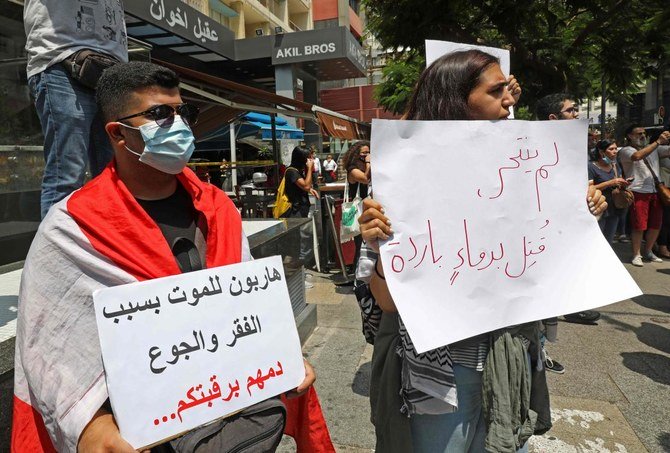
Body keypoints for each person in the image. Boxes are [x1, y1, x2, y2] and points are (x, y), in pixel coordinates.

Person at [12, 62, 324, 453]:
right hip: (145, 438)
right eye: (160, 114)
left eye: (183, 112)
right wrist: (93, 427)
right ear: (118, 134)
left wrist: (282, 358)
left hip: (243, 427)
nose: (179, 124)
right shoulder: (70, 229)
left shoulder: (218, 208)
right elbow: (50, 350)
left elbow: (250, 311)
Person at [357, 50, 607, 453]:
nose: (510, 98)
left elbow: (548, 256)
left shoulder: (527, 168)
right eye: (496, 90)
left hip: (510, 363)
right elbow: (385, 301)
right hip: (440, 379)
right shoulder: (403, 177)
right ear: (456, 100)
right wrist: (380, 242)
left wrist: (581, 212)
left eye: (508, 89)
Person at [24, 0, 129, 219]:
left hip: (114, 70)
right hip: (62, 58)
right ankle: (57, 251)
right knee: (67, 174)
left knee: (116, 177)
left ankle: (110, 246)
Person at [536, 92, 601, 326]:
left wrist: (593, 199)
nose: (577, 114)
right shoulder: (534, 148)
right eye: (571, 110)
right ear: (553, 118)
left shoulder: (573, 147)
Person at [618, 124, 670, 266]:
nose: (642, 136)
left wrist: (666, 136)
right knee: (639, 225)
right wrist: (658, 141)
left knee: (656, 224)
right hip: (638, 191)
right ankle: (636, 254)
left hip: (655, 191)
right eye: (638, 133)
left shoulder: (655, 149)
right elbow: (636, 156)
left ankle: (648, 251)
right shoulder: (626, 150)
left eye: (644, 133)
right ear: (629, 136)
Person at [282, 146, 320, 265]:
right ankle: (297, 266)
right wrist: (309, 169)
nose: (311, 160)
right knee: (300, 238)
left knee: (303, 238)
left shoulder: (297, 170)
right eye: (309, 157)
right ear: (301, 158)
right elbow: (305, 185)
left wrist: (309, 190)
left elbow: (302, 187)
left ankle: (301, 265)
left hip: (301, 208)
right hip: (295, 210)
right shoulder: (292, 171)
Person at [589, 140, 631, 244]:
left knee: (608, 240)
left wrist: (624, 183)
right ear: (601, 152)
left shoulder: (615, 166)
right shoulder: (591, 167)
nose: (615, 151)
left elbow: (618, 182)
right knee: (597, 240)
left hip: (614, 208)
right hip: (599, 208)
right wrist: (611, 182)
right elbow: (590, 189)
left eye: (616, 148)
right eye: (611, 149)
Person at [343, 141, 371, 271]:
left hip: (367, 208)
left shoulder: (364, 167)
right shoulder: (353, 169)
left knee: (365, 244)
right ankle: (357, 275)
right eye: (364, 153)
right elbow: (366, 179)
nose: (367, 155)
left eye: (369, 152)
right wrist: (369, 162)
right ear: (356, 154)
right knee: (360, 243)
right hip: (358, 211)